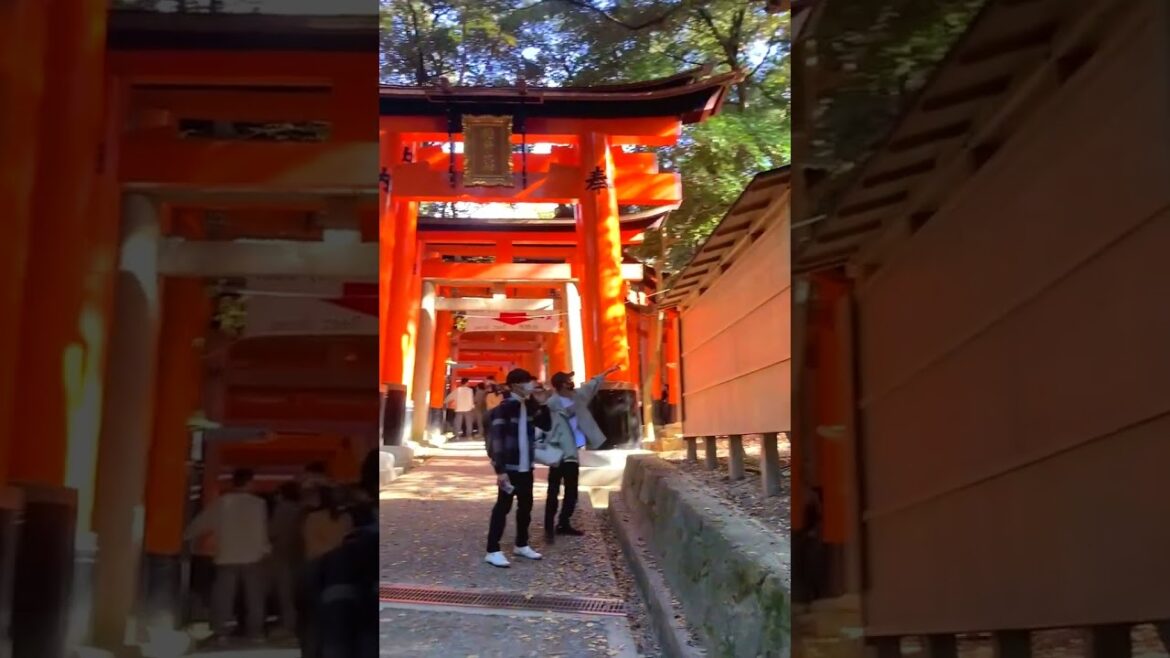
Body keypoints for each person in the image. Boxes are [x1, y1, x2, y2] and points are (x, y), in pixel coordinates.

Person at [184, 468, 270, 646]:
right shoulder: (258, 504)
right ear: (249, 483)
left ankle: (222, 632)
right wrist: (265, 547)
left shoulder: (222, 503)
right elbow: (262, 530)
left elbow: (200, 524)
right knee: (254, 596)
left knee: (223, 596)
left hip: (227, 556)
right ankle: (256, 632)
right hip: (253, 556)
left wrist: (186, 536)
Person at [484, 368, 551, 568]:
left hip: (525, 467)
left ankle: (521, 544)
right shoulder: (503, 409)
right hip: (510, 467)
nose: (530, 385)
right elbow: (496, 441)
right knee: (503, 507)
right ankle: (492, 550)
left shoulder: (528, 406)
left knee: (526, 506)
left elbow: (546, 424)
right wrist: (500, 470)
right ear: (514, 386)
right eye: (526, 382)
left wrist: (542, 402)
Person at [543, 366, 619, 543]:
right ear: (561, 385)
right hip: (557, 452)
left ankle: (563, 523)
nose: (572, 383)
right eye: (568, 380)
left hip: (573, 452)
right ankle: (548, 527)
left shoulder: (577, 396)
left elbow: (592, 385)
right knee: (553, 490)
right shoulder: (551, 404)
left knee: (571, 490)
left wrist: (606, 372)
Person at [301, 485, 354, 657]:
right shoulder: (346, 518)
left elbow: (311, 547)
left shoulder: (312, 518)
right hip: (342, 569)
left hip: (317, 567)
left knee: (315, 617)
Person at [268, 481, 304, 640]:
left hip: (282, 555)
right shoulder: (301, 509)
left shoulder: (282, 509)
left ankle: (289, 625)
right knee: (297, 592)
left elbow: (272, 531)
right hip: (299, 555)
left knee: (286, 593)